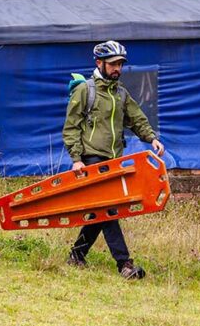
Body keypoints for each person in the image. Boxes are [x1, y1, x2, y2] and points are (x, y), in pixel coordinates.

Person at [62, 40, 165, 279]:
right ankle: (124, 264)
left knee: (101, 211)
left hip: (115, 160)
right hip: (92, 158)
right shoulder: (85, 90)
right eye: (113, 64)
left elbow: (137, 118)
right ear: (99, 63)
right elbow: (71, 127)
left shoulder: (120, 93)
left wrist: (152, 138)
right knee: (109, 208)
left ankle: (77, 255)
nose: (117, 68)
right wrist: (76, 158)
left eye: (120, 64)